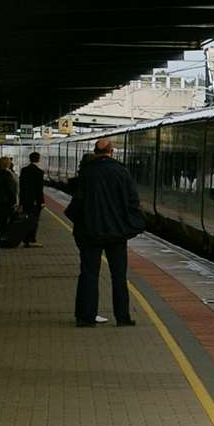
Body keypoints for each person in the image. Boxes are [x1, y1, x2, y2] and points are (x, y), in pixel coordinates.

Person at [68, 137, 143, 328]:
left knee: (88, 274)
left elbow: (76, 204)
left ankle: (86, 317)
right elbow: (133, 201)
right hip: (116, 234)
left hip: (90, 233)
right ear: (112, 152)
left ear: (95, 152)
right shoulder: (121, 172)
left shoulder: (86, 173)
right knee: (118, 275)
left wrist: (80, 224)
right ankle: (123, 317)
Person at [19, 151, 46, 247]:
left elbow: (21, 187)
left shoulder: (24, 170)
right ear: (38, 159)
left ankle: (25, 239)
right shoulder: (39, 172)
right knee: (34, 220)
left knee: (26, 219)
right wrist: (41, 202)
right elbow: (39, 189)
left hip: (25, 200)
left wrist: (20, 201)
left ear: (30, 159)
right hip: (35, 201)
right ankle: (31, 240)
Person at [0, 156, 19, 244]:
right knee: (6, 221)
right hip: (6, 203)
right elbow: (11, 190)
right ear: (8, 164)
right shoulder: (8, 175)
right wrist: (14, 202)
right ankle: (4, 239)